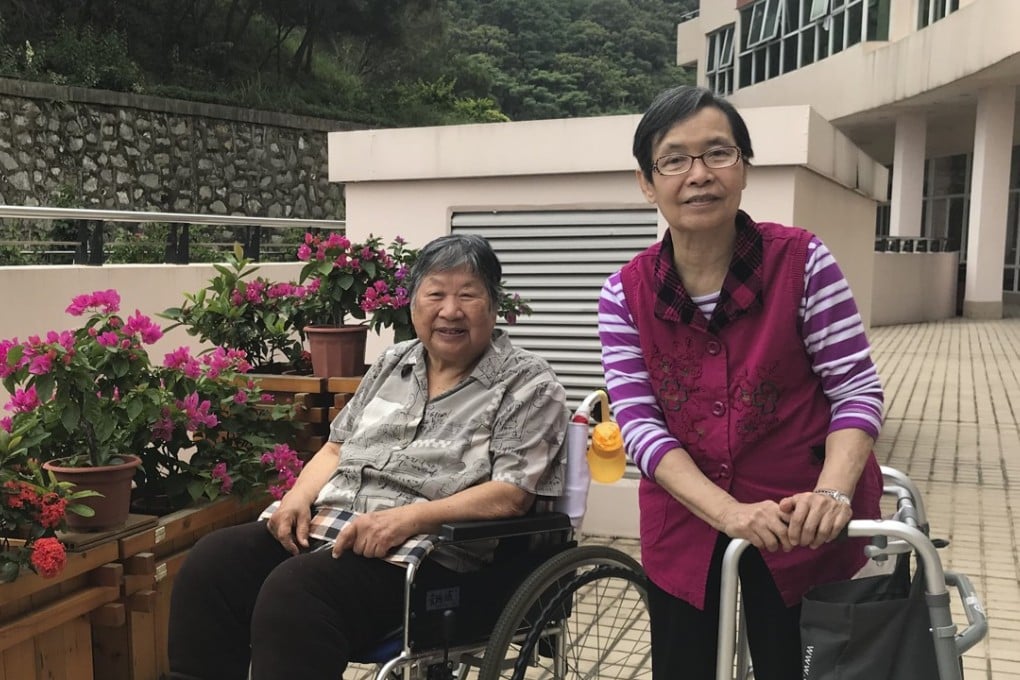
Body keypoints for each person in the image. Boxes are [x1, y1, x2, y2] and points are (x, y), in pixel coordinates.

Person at [168, 233, 568, 680]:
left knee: (296, 592)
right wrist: (298, 496)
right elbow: (337, 445)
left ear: (493, 306)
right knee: (214, 563)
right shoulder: (394, 362)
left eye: (468, 295)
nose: (450, 310)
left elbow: (510, 495)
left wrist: (410, 519)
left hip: (427, 557)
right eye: (435, 293)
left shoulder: (529, 384)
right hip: (332, 528)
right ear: (414, 304)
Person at [598, 85, 884, 680]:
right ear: (647, 183)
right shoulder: (623, 294)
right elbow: (640, 425)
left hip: (802, 517)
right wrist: (728, 513)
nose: (698, 175)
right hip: (686, 520)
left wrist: (832, 493)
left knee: (798, 666)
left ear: (745, 167)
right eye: (674, 159)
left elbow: (854, 390)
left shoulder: (803, 262)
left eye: (718, 153)